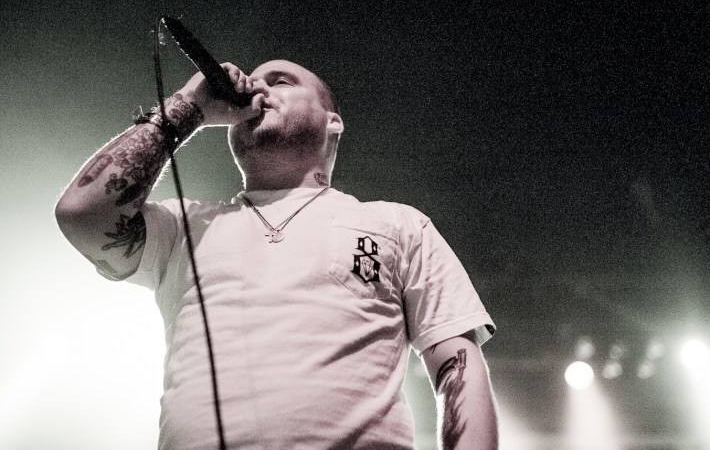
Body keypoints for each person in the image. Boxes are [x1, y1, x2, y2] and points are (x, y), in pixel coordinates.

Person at [55, 59, 498, 450]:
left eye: (280, 81)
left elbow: (457, 366)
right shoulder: (183, 226)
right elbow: (83, 213)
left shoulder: (398, 224)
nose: (256, 88)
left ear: (333, 122)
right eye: (253, 82)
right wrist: (189, 107)